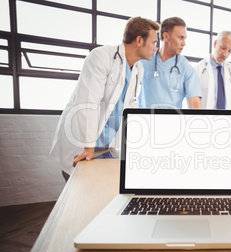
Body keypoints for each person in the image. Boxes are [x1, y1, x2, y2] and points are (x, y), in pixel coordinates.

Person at [50, 17, 160, 181]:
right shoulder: (101, 57)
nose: (156, 48)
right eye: (154, 42)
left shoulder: (138, 69)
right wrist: (88, 147)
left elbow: (128, 110)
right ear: (139, 40)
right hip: (82, 144)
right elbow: (87, 104)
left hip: (105, 147)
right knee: (78, 194)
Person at [139, 17, 202, 109]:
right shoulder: (145, 60)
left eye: (185, 39)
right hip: (145, 119)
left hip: (173, 121)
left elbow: (195, 102)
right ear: (166, 36)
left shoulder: (186, 68)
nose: (184, 43)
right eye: (180, 38)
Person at [194, 31, 231, 110]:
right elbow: (194, 101)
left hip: (228, 119)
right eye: (223, 48)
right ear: (215, 44)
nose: (225, 54)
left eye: (230, 51)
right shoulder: (198, 68)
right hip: (205, 119)